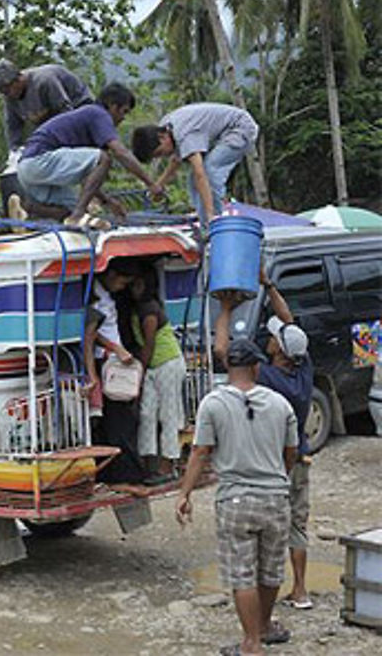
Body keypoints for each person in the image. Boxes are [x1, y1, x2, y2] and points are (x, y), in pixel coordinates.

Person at [178, 338, 298, 656]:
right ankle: (266, 626)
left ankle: (251, 643)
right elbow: (291, 452)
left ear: (228, 367)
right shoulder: (280, 404)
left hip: (235, 501)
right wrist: (278, 480)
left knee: (242, 574)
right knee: (271, 570)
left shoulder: (213, 404)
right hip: (275, 498)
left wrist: (184, 493)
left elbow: (200, 451)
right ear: (257, 367)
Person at [214, 270, 314, 611]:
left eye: (273, 338)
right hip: (300, 459)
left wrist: (226, 310)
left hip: (268, 467)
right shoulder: (303, 370)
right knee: (297, 524)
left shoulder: (266, 377)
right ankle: (300, 590)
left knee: (257, 539)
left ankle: (255, 601)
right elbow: (289, 324)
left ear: (279, 351)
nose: (270, 338)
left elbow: (223, 351)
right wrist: (269, 286)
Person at [16, 82, 164, 227]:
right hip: (39, 159)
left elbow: (87, 180)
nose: (123, 118)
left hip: (26, 169)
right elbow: (120, 152)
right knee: (103, 158)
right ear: (112, 106)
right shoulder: (98, 114)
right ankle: (77, 215)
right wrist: (151, 184)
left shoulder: (89, 127)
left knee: (70, 209)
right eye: (123, 111)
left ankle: (28, 209)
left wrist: (107, 201)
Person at [131, 103, 258, 224]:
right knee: (192, 181)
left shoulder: (185, 136)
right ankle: (204, 217)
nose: (162, 156)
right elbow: (176, 160)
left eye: (160, 153)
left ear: (162, 137)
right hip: (222, 134)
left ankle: (214, 223)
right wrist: (158, 185)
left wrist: (210, 215)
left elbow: (200, 174)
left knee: (209, 171)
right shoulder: (166, 127)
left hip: (240, 127)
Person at [82, 260, 148, 489]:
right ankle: (121, 477)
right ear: (110, 274)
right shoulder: (93, 298)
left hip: (113, 358)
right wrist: (116, 349)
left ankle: (120, 475)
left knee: (120, 418)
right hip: (105, 359)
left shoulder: (105, 295)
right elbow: (91, 332)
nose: (121, 287)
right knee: (119, 418)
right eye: (121, 281)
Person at [129, 268, 186, 484]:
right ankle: (148, 461)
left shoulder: (149, 310)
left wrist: (140, 373)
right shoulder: (141, 308)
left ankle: (167, 464)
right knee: (147, 413)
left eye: (137, 285)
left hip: (167, 363)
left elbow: (149, 345)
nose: (134, 290)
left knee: (167, 414)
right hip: (154, 365)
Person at [0, 58, 93, 154]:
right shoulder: (10, 98)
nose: (6, 94)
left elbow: (66, 112)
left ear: (18, 79)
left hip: (80, 112)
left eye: (7, 90)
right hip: (52, 122)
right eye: (2, 92)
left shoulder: (45, 80)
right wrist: (15, 151)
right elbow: (13, 127)